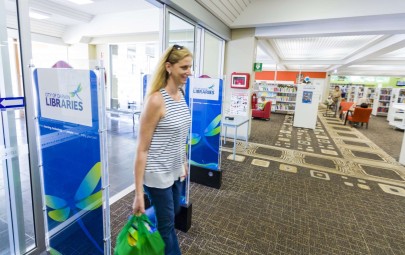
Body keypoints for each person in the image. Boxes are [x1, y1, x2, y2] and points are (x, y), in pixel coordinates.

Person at [132, 44, 192, 255]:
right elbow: (141, 149)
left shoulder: (181, 95)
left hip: (175, 170)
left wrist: (183, 161)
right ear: (169, 67)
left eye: (190, 67)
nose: (189, 72)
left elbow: (179, 134)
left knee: (173, 210)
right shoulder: (156, 100)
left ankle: (142, 221)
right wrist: (139, 193)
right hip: (156, 172)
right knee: (167, 229)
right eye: (184, 67)